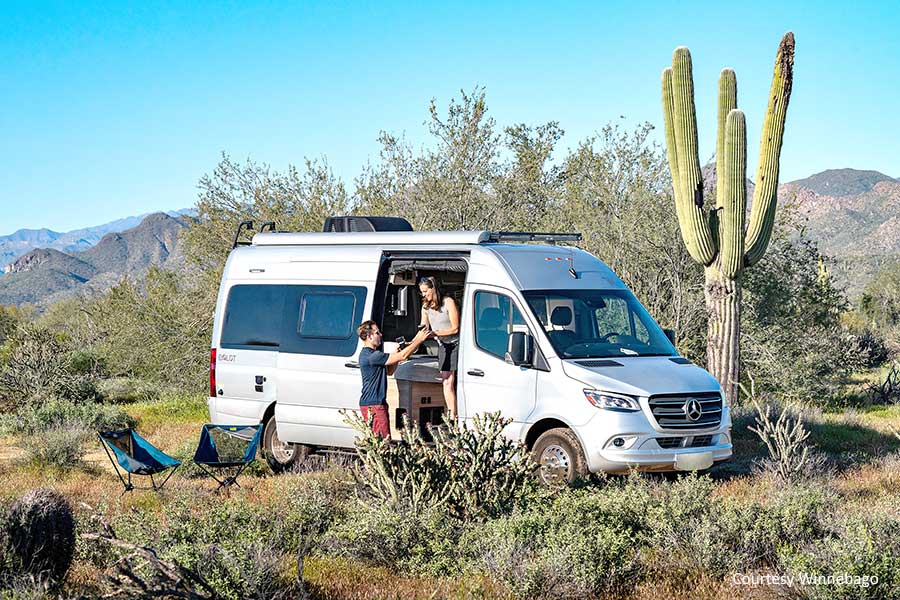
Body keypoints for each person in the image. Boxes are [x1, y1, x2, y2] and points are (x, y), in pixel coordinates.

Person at [357, 320, 430, 439]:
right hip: (374, 404)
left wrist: (396, 355)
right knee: (384, 441)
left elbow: (389, 371)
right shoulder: (372, 356)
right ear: (369, 336)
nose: (381, 335)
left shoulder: (372, 355)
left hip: (375, 403)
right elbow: (403, 356)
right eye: (377, 333)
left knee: (379, 440)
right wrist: (419, 340)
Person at [418, 276, 460, 420]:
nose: (423, 295)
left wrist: (434, 333)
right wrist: (413, 342)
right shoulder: (425, 306)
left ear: (433, 289)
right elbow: (423, 328)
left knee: (449, 381)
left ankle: (453, 416)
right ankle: (451, 415)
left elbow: (455, 328)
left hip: (454, 344)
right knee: (445, 381)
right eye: (421, 292)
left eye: (425, 291)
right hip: (442, 345)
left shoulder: (448, 302)